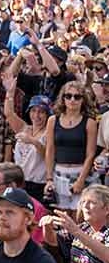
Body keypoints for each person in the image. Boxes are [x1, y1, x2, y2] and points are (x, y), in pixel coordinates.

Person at [44, 82, 99, 212]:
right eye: (68, 96)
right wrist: (49, 178)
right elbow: (50, 150)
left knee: (80, 216)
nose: (72, 100)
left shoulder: (90, 123)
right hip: (59, 173)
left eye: (77, 97)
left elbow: (90, 154)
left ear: (83, 99)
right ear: (63, 98)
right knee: (60, 216)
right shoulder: (53, 120)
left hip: (81, 173)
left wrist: (81, 180)